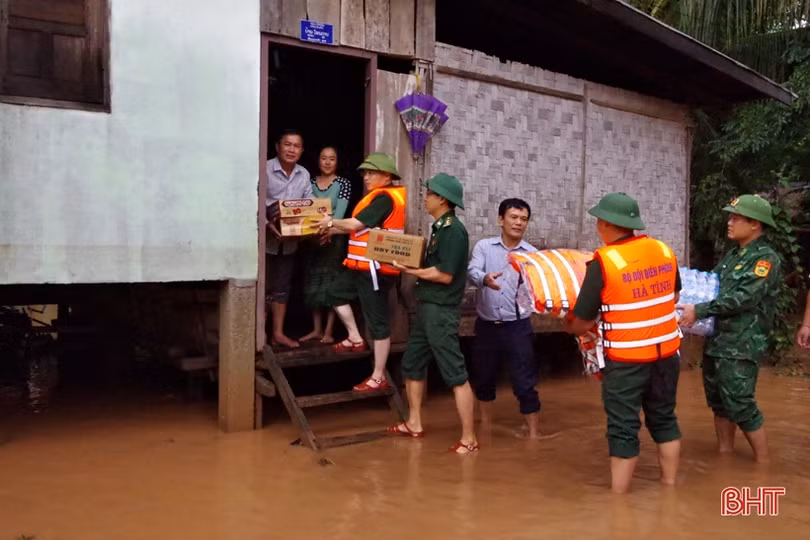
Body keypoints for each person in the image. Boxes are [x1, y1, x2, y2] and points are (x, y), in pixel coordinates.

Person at [565, 192, 682, 494]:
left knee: (623, 427)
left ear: (604, 223)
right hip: (667, 356)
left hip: (627, 361)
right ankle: (669, 487)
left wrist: (572, 325)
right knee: (665, 419)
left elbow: (582, 320)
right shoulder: (663, 249)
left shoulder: (603, 262)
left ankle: (619, 503)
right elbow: (674, 296)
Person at [678, 194, 781, 464]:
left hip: (742, 344)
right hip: (718, 340)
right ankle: (725, 455)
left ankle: (764, 464)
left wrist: (698, 311)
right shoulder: (733, 255)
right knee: (719, 401)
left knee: (741, 403)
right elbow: (711, 286)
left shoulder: (765, 260)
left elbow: (743, 297)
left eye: (736, 217)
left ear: (755, 224)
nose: (730, 222)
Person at [388, 173, 479, 454]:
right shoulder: (440, 227)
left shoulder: (453, 231)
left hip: (441, 311)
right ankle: (414, 422)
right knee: (412, 363)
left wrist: (410, 271)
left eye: (429, 194)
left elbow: (445, 274)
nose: (425, 198)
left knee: (455, 373)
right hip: (427, 308)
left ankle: (469, 438)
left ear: (442, 199)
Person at [314, 152, 406, 391]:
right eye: (365, 173)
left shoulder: (384, 199)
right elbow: (359, 231)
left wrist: (332, 223)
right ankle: (355, 337)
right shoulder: (375, 197)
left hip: (375, 270)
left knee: (378, 324)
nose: (366, 177)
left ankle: (378, 377)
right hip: (358, 267)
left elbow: (355, 225)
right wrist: (331, 230)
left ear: (386, 176)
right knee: (334, 293)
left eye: (371, 173)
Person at [467, 198, 549, 439]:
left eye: (523, 219)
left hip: (518, 326)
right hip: (486, 325)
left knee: (524, 380)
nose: (518, 223)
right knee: (483, 377)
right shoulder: (484, 247)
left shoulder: (532, 254)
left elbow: (540, 287)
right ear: (500, 220)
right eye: (513, 217)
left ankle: (533, 433)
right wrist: (484, 279)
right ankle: (486, 426)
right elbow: (472, 271)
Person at [300, 147, 352, 344]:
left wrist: (329, 230)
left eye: (332, 158)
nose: (328, 162)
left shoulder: (343, 184)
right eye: (324, 158)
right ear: (318, 160)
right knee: (312, 282)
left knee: (331, 283)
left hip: (334, 237)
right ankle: (316, 329)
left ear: (337, 162)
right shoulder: (309, 183)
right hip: (311, 238)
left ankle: (329, 331)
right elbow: (304, 209)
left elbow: (340, 213)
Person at [266, 129, 312, 349]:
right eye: (287, 144)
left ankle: (278, 334)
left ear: (302, 151)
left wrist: (306, 229)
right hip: (264, 242)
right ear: (278, 146)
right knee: (262, 287)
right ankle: (259, 334)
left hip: (290, 243)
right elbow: (252, 201)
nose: (291, 149)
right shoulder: (264, 169)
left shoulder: (303, 174)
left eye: (296, 146)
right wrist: (268, 224)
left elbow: (309, 204)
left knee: (282, 288)